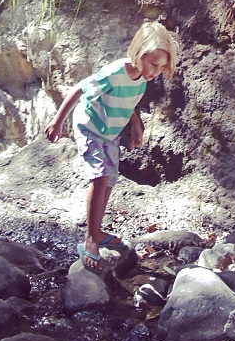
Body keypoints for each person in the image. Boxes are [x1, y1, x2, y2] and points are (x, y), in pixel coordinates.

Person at [45, 20, 177, 271]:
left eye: (161, 67)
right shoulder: (116, 72)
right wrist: (57, 121)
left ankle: (98, 230)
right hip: (90, 127)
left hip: (110, 133)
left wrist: (136, 125)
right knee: (100, 176)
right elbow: (79, 89)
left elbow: (128, 104)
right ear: (139, 53)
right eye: (153, 64)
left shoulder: (141, 79)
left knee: (110, 181)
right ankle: (91, 239)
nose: (155, 72)